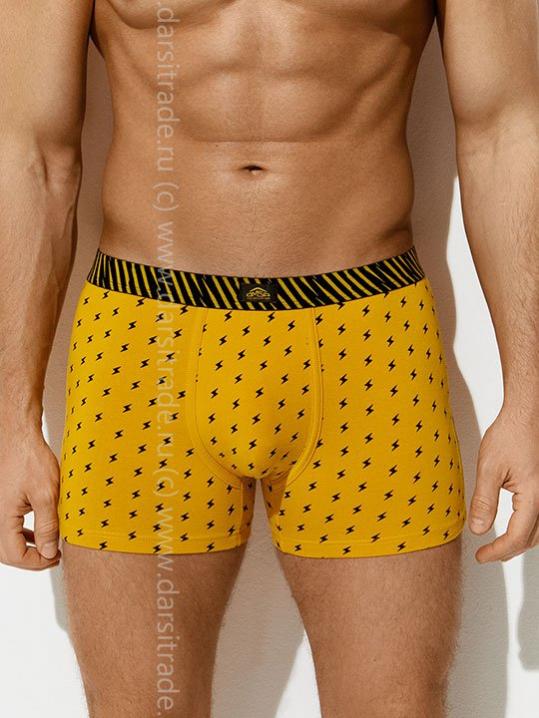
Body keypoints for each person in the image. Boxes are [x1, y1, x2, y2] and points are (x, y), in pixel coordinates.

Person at [0, 1, 537, 716]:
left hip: (368, 343)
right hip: (143, 341)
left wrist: (530, 397)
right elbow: (31, 152)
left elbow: (505, 131)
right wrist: (10, 418)